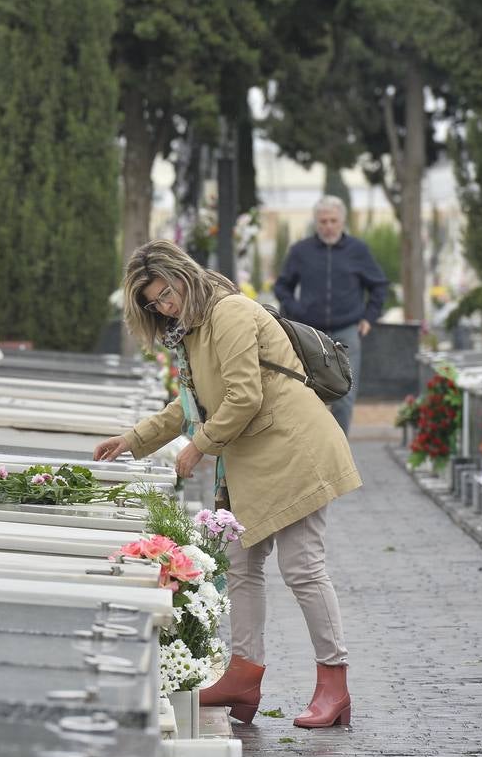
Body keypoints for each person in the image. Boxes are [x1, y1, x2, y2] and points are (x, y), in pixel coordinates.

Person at [94, 240, 361, 728]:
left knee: (302, 566)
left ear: (183, 276)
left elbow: (242, 397)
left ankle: (334, 682)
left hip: (293, 449)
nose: (164, 307)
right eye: (154, 304)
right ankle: (244, 674)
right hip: (253, 457)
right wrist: (133, 439)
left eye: (165, 294)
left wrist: (200, 447)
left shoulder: (230, 312)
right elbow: (191, 406)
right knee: (241, 565)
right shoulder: (192, 332)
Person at [273, 195, 390, 435]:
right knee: (306, 394)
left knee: (344, 395)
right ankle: (313, 451)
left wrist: (369, 317)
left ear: (342, 221)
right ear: (316, 222)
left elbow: (379, 285)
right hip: (309, 334)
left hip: (347, 332)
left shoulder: (358, 250)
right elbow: (282, 286)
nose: (328, 226)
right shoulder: (300, 251)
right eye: (323, 221)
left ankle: (340, 453)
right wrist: (294, 311)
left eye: (333, 221)